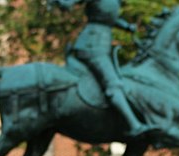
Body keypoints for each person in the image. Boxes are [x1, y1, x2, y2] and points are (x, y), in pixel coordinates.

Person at [51, 0, 154, 137]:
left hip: (102, 46)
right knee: (114, 84)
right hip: (92, 46)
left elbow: (107, 18)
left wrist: (127, 26)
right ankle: (134, 124)